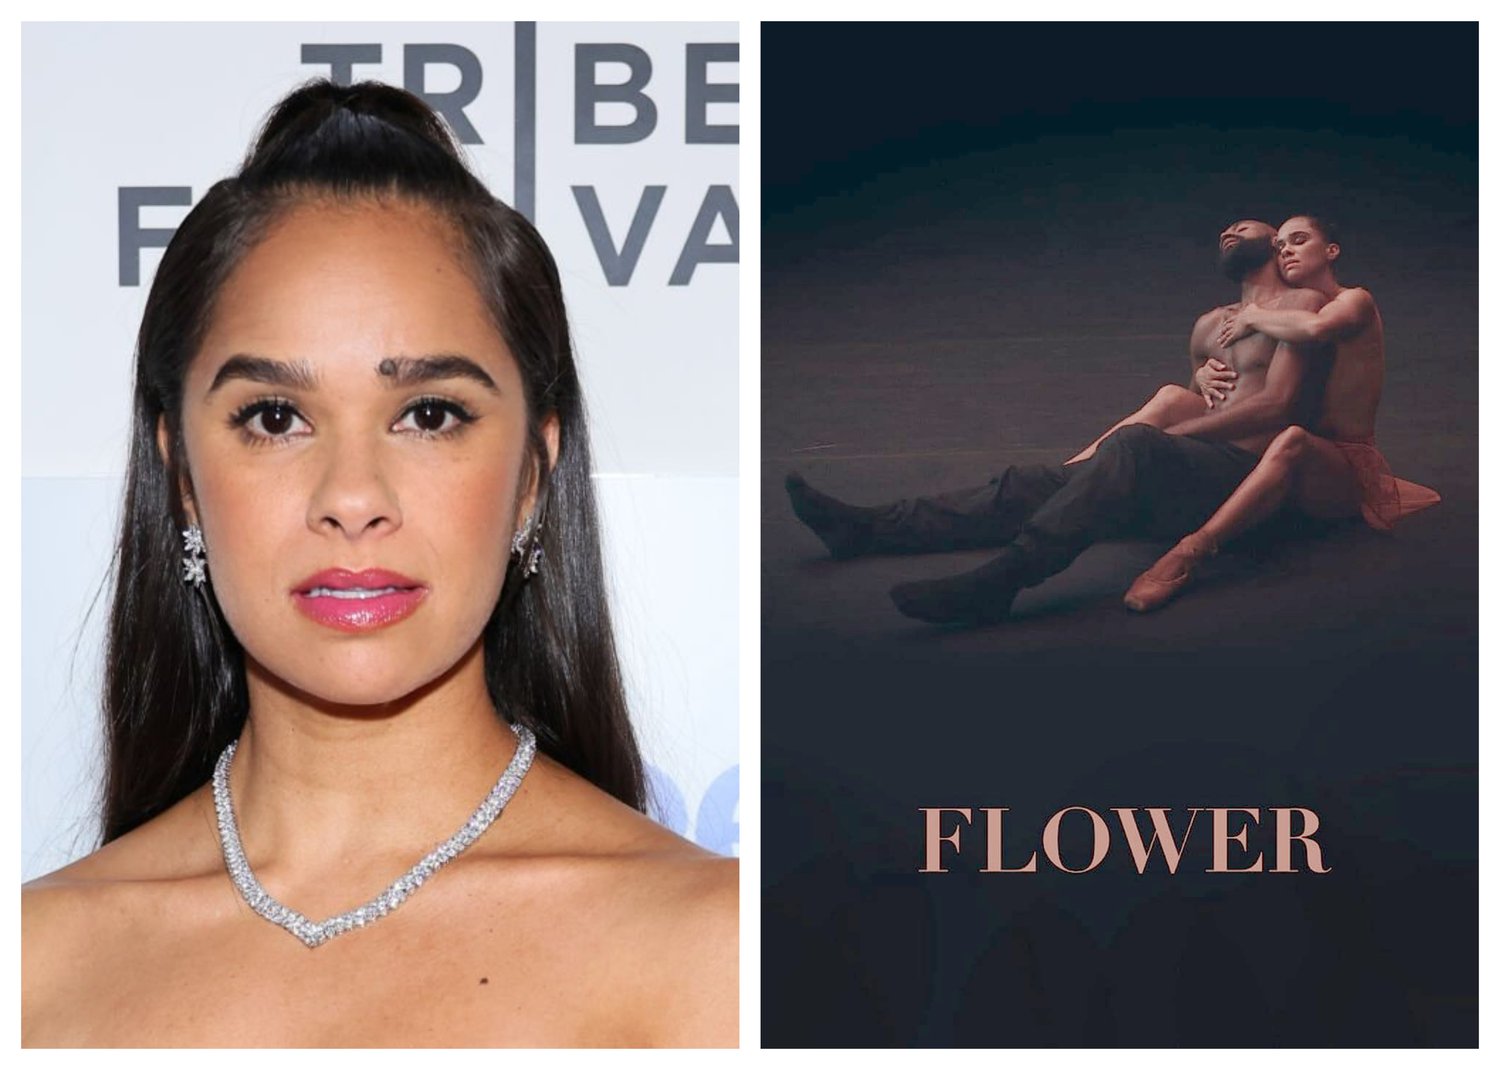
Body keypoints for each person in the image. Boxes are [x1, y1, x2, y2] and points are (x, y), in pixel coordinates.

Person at [21, 81, 736, 1047]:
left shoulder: (721, 952)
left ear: (534, 472)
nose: (352, 497)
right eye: (274, 418)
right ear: (181, 476)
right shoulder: (34, 964)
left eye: (429, 414)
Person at [785, 219, 1328, 624]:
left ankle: (1004, 580)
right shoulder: (1208, 325)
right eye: (1226, 229)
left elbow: (1276, 405)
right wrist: (1193, 390)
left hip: (1243, 481)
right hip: (1184, 478)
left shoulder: (1301, 306)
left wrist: (1168, 435)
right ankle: (867, 529)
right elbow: (1202, 399)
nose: (1232, 230)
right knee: (1030, 484)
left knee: (1135, 446)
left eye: (1250, 226)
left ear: (1277, 248)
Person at [1122, 215, 1440, 611]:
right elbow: (1247, 385)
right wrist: (1202, 376)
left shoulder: (1352, 300)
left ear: (1331, 251)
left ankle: (1189, 553)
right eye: (1280, 245)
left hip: (1340, 465)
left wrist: (1253, 316)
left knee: (1292, 440)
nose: (1286, 250)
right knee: (1170, 398)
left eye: (1300, 240)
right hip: (1276, 460)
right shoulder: (1286, 310)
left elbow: (1315, 330)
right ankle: (1070, 475)